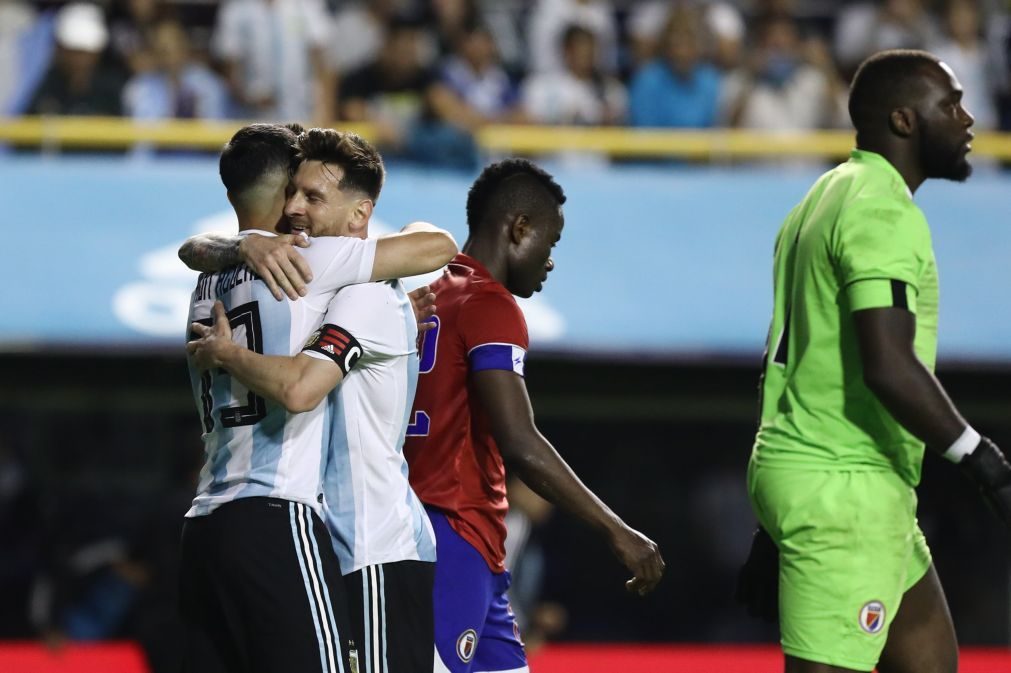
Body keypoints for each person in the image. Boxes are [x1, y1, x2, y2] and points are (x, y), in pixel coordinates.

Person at [740, 49, 1011, 673]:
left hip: (846, 481)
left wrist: (775, 519)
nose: (968, 120)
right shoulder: (882, 209)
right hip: (844, 489)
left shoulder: (822, 195)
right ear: (904, 120)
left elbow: (790, 360)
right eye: (951, 104)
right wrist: (983, 460)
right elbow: (888, 365)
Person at [178, 123, 456, 673]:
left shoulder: (203, 284)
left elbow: (193, 249)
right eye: (298, 191)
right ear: (282, 190)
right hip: (278, 514)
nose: (301, 208)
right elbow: (438, 246)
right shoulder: (313, 260)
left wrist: (239, 243)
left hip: (203, 524)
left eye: (314, 195)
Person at [402, 159, 665, 673]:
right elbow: (520, 441)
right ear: (520, 227)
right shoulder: (489, 304)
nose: (550, 260)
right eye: (552, 240)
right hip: (451, 533)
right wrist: (616, 529)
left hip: (457, 537)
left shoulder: (432, 293)